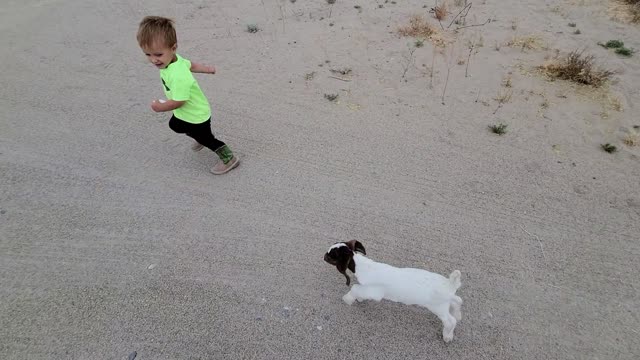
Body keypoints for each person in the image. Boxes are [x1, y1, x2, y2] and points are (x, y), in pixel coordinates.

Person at [136, 16, 239, 175]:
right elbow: (191, 65)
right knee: (175, 125)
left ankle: (229, 158)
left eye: (158, 54)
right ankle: (200, 138)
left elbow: (179, 101)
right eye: (148, 54)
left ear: (173, 47)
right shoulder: (175, 60)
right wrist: (207, 69)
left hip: (196, 115)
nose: (153, 60)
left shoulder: (177, 76)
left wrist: (160, 107)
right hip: (188, 113)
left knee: (207, 138)